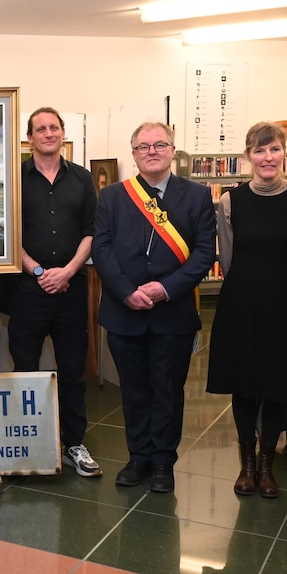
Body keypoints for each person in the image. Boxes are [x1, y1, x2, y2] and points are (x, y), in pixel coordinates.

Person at [93, 121, 215, 493]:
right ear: (133, 154)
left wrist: (164, 289)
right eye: (143, 146)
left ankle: (163, 460)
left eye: (159, 144)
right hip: (124, 309)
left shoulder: (196, 195)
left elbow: (204, 253)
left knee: (167, 389)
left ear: (172, 150)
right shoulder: (113, 196)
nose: (151, 151)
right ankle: (138, 457)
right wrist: (127, 291)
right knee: (133, 389)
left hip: (172, 312)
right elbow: (102, 248)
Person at [205, 122, 287, 499]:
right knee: (244, 382)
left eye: (274, 150)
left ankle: (268, 464)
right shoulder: (230, 200)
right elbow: (229, 254)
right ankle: (247, 464)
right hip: (243, 299)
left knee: (277, 382)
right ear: (247, 157)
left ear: (286, 153)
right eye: (259, 150)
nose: (267, 157)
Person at [10, 107, 100, 478]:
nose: (48, 133)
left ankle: (74, 444)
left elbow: (92, 231)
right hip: (28, 290)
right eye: (40, 129)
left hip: (72, 290)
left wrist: (67, 272)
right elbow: (8, 236)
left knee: (73, 371)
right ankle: (25, 444)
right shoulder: (14, 178)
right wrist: (38, 271)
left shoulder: (81, 179)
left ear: (62, 133)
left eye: (54, 127)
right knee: (25, 371)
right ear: (29, 137)